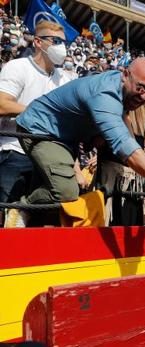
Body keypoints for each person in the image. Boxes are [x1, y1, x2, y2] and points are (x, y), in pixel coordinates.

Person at [13, 57, 145, 222]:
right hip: (41, 131)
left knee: (53, 202)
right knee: (65, 192)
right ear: (125, 74)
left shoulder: (122, 88)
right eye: (142, 88)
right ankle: (22, 208)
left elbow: (128, 138)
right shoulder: (105, 93)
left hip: (63, 138)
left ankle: (27, 224)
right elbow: (126, 146)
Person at [0, 21, 75, 221]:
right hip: (15, 153)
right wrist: (40, 113)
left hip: (50, 159)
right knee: (7, 220)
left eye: (64, 42)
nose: (62, 47)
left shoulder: (65, 78)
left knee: (41, 225)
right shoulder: (17, 67)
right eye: (56, 41)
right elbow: (2, 105)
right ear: (38, 42)